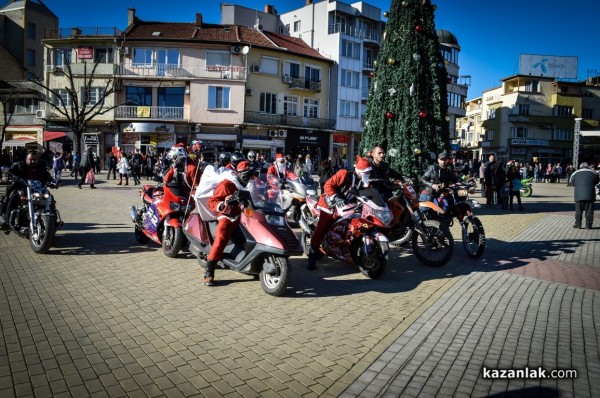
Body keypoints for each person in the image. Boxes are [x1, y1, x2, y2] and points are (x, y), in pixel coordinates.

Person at [307, 157, 372, 270]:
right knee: (322, 228)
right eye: (366, 171)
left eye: (369, 171)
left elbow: (369, 193)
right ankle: (312, 256)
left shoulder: (363, 180)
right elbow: (327, 185)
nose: (368, 173)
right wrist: (335, 197)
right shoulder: (344, 174)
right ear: (360, 170)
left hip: (347, 206)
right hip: (329, 204)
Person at [204, 161, 255, 286]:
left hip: (245, 216)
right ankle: (209, 270)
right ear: (239, 174)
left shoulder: (250, 185)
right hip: (228, 216)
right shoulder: (227, 184)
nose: (248, 178)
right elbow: (212, 202)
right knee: (221, 238)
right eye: (246, 175)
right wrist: (223, 203)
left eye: (250, 175)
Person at [1, 151, 56, 230]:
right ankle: (7, 221)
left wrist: (53, 182)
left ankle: (54, 220)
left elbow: (48, 176)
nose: (33, 161)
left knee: (50, 198)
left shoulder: (41, 167)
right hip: (21, 188)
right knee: (13, 197)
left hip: (38, 189)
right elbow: (9, 172)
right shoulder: (18, 165)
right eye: (31, 159)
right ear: (26, 159)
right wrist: (5, 176)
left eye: (35, 159)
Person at [569, 162, 599, 229]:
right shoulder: (593, 173)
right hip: (590, 195)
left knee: (578, 211)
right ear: (587, 166)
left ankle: (578, 225)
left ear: (580, 166)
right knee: (589, 211)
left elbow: (572, 183)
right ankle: (588, 225)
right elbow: (597, 182)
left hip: (578, 195)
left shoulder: (575, 173)